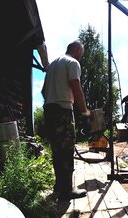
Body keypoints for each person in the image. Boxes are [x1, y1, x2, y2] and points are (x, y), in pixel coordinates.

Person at [41, 40, 90, 201]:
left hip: (49, 110)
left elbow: (43, 90)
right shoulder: (72, 62)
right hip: (62, 111)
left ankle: (59, 186)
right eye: (81, 53)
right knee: (67, 149)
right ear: (76, 50)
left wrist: (52, 100)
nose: (81, 57)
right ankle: (68, 190)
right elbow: (76, 86)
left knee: (57, 150)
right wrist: (84, 113)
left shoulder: (53, 65)